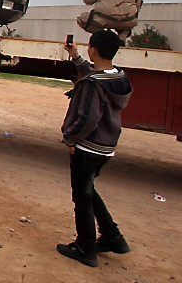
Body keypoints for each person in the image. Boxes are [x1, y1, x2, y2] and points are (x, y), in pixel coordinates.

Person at [56, 30, 132, 267]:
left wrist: (70, 138)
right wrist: (75, 57)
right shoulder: (118, 77)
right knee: (88, 189)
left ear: (93, 49)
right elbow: (94, 74)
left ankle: (85, 247)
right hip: (105, 146)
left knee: (81, 195)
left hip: (87, 146)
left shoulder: (91, 84)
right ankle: (112, 236)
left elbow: (87, 118)